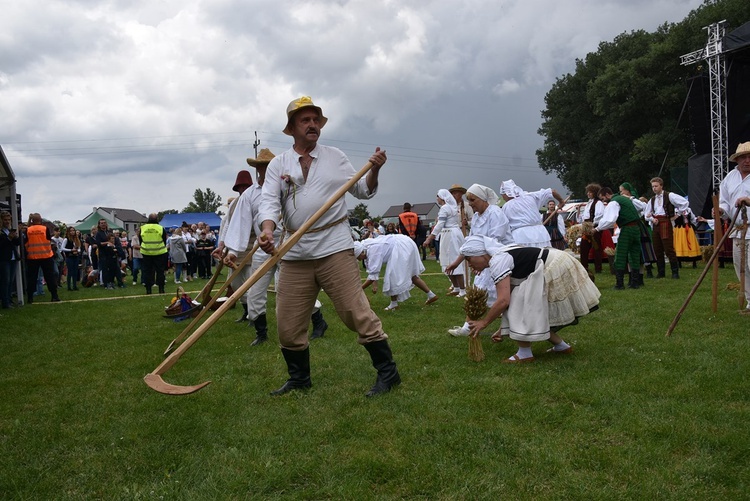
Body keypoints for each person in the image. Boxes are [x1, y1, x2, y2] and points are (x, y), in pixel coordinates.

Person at [258, 95, 398, 397]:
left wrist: (374, 170)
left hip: (334, 247)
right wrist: (268, 231)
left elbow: (363, 191)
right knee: (288, 322)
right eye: (305, 121)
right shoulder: (278, 165)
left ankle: (389, 373)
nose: (313, 126)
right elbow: (268, 201)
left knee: (355, 312)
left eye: (316, 121)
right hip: (294, 252)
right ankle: (299, 379)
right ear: (292, 127)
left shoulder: (335, 157)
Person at [233, 149, 329, 346]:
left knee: (290, 292)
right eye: (260, 167)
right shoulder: (249, 195)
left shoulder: (288, 185)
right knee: (254, 292)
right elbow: (240, 222)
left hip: (286, 245)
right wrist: (233, 251)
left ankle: (318, 321)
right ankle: (261, 333)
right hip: (262, 247)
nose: (263, 170)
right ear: (256, 169)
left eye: (267, 166)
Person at [459, 236, 600, 363]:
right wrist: (503, 329)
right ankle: (561, 346)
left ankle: (524, 353)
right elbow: (511, 293)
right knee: (529, 309)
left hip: (554, 266)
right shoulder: (500, 255)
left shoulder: (498, 261)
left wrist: (483, 323)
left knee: (520, 308)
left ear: (481, 255)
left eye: (469, 259)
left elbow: (503, 301)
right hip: (558, 261)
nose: (469, 265)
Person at [445, 184, 514, 336]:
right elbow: (472, 242)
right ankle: (468, 326)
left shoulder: (496, 213)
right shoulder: (476, 217)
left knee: (503, 296)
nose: (470, 203)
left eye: (472, 199)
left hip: (498, 258)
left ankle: (505, 327)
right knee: (477, 292)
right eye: (468, 200)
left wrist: (480, 261)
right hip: (483, 260)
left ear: (483, 199)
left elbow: (494, 240)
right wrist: (458, 262)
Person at [353, 234, 438, 310]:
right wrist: (374, 285)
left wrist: (359, 289)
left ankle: (394, 304)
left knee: (392, 276)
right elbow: (373, 271)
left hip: (401, 246)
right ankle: (431, 295)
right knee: (411, 275)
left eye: (358, 257)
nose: (359, 260)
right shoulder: (366, 246)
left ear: (361, 252)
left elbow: (373, 276)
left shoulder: (373, 251)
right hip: (404, 242)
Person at [718, 141, 750, 311]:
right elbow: (724, 200)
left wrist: (748, 201)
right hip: (738, 231)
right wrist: (720, 210)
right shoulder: (730, 177)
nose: (747, 160)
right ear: (737, 160)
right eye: (743, 157)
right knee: (741, 268)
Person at [595, 187, 645, 289]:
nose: (603, 201)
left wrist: (597, 229)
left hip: (627, 229)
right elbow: (641, 208)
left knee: (620, 255)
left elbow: (610, 219)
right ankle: (635, 283)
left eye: (603, 198)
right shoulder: (626, 199)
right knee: (634, 254)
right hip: (637, 229)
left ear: (607, 194)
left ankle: (619, 284)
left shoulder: (614, 202)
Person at [423, 189, 466, 297]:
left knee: (453, 259)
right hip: (450, 234)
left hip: (450, 235)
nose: (437, 198)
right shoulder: (452, 207)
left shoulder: (445, 208)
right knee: (447, 260)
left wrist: (429, 238)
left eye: (437, 196)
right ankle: (456, 287)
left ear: (442, 197)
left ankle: (462, 289)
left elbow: (440, 224)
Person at [644, 177, 689, 279]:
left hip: (666, 222)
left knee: (668, 248)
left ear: (661, 186)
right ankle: (661, 272)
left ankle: (675, 272)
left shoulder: (670, 195)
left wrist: (678, 214)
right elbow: (646, 214)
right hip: (656, 224)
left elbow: (684, 203)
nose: (654, 188)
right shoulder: (652, 200)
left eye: (656, 186)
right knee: (657, 249)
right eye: (653, 187)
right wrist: (652, 219)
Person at [499, 179, 564, 247]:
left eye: (502, 195)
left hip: (521, 237)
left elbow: (503, 227)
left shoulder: (506, 206)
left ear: (506, 194)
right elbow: (552, 191)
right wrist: (561, 201)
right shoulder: (530, 196)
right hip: (540, 235)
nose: (503, 198)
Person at [24, 213, 61, 303]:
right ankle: (54, 296)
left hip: (32, 257)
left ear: (32, 220)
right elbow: (49, 240)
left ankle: (30, 298)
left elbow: (25, 242)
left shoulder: (28, 230)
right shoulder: (45, 229)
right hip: (46, 256)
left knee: (32, 277)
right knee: (50, 277)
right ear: (40, 220)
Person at [576, 183, 608, 274]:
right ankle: (584, 267)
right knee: (584, 247)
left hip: (594, 228)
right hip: (586, 227)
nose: (588, 194)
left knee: (597, 248)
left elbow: (600, 215)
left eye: (590, 192)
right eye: (588, 192)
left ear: (595, 192)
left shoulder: (598, 203)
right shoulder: (588, 203)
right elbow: (584, 216)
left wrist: (592, 224)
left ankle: (598, 268)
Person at [140, 213, 168, 294]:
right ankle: (161, 289)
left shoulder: (143, 228)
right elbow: (164, 240)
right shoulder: (160, 228)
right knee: (160, 271)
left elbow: (140, 240)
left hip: (146, 252)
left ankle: (148, 289)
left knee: (147, 271)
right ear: (157, 219)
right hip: (160, 252)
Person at [0, 211, 21, 308]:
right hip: (4, 259)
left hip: (13, 258)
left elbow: (17, 243)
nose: (7, 222)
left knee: (11, 281)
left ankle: (9, 300)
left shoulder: (9, 230)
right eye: (5, 220)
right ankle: (5, 302)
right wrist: (8, 238)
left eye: (9, 220)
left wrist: (15, 236)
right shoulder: (1, 232)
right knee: (5, 280)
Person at [61, 226, 81, 291]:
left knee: (75, 271)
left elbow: (79, 248)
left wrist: (77, 251)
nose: (72, 232)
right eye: (71, 231)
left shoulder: (76, 239)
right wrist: (71, 250)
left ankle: (74, 285)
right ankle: (69, 286)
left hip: (75, 256)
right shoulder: (66, 239)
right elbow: (62, 248)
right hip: (69, 257)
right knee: (70, 271)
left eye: (73, 230)